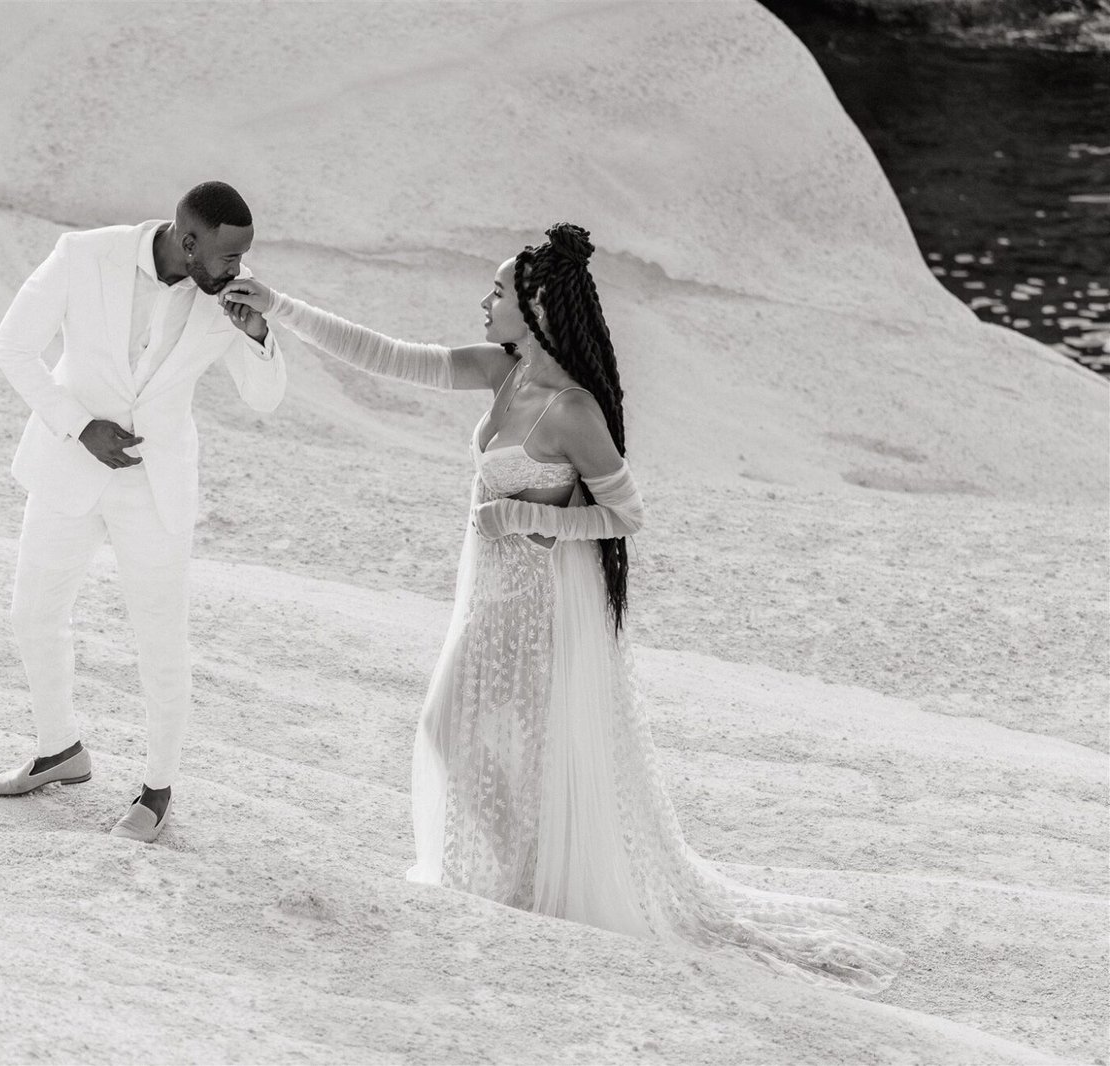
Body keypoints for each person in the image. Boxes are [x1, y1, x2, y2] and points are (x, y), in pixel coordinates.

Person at [220, 223, 906, 994]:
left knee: (484, 738)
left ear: (536, 305)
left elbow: (627, 514)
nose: (485, 302)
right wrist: (281, 307)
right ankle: (521, 873)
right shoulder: (504, 374)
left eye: (499, 292)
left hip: (540, 612)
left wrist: (528, 517)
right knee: (452, 731)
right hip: (489, 596)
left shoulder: (575, 411)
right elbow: (386, 353)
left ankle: (521, 885)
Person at [0, 181, 286, 843]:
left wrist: (258, 332)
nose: (239, 270)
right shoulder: (84, 254)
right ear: (187, 240)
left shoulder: (229, 297)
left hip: (155, 487)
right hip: (69, 465)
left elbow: (264, 397)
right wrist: (76, 424)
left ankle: (156, 789)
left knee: (159, 642)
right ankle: (60, 750)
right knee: (33, 614)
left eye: (244, 257)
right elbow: (12, 346)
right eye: (227, 256)